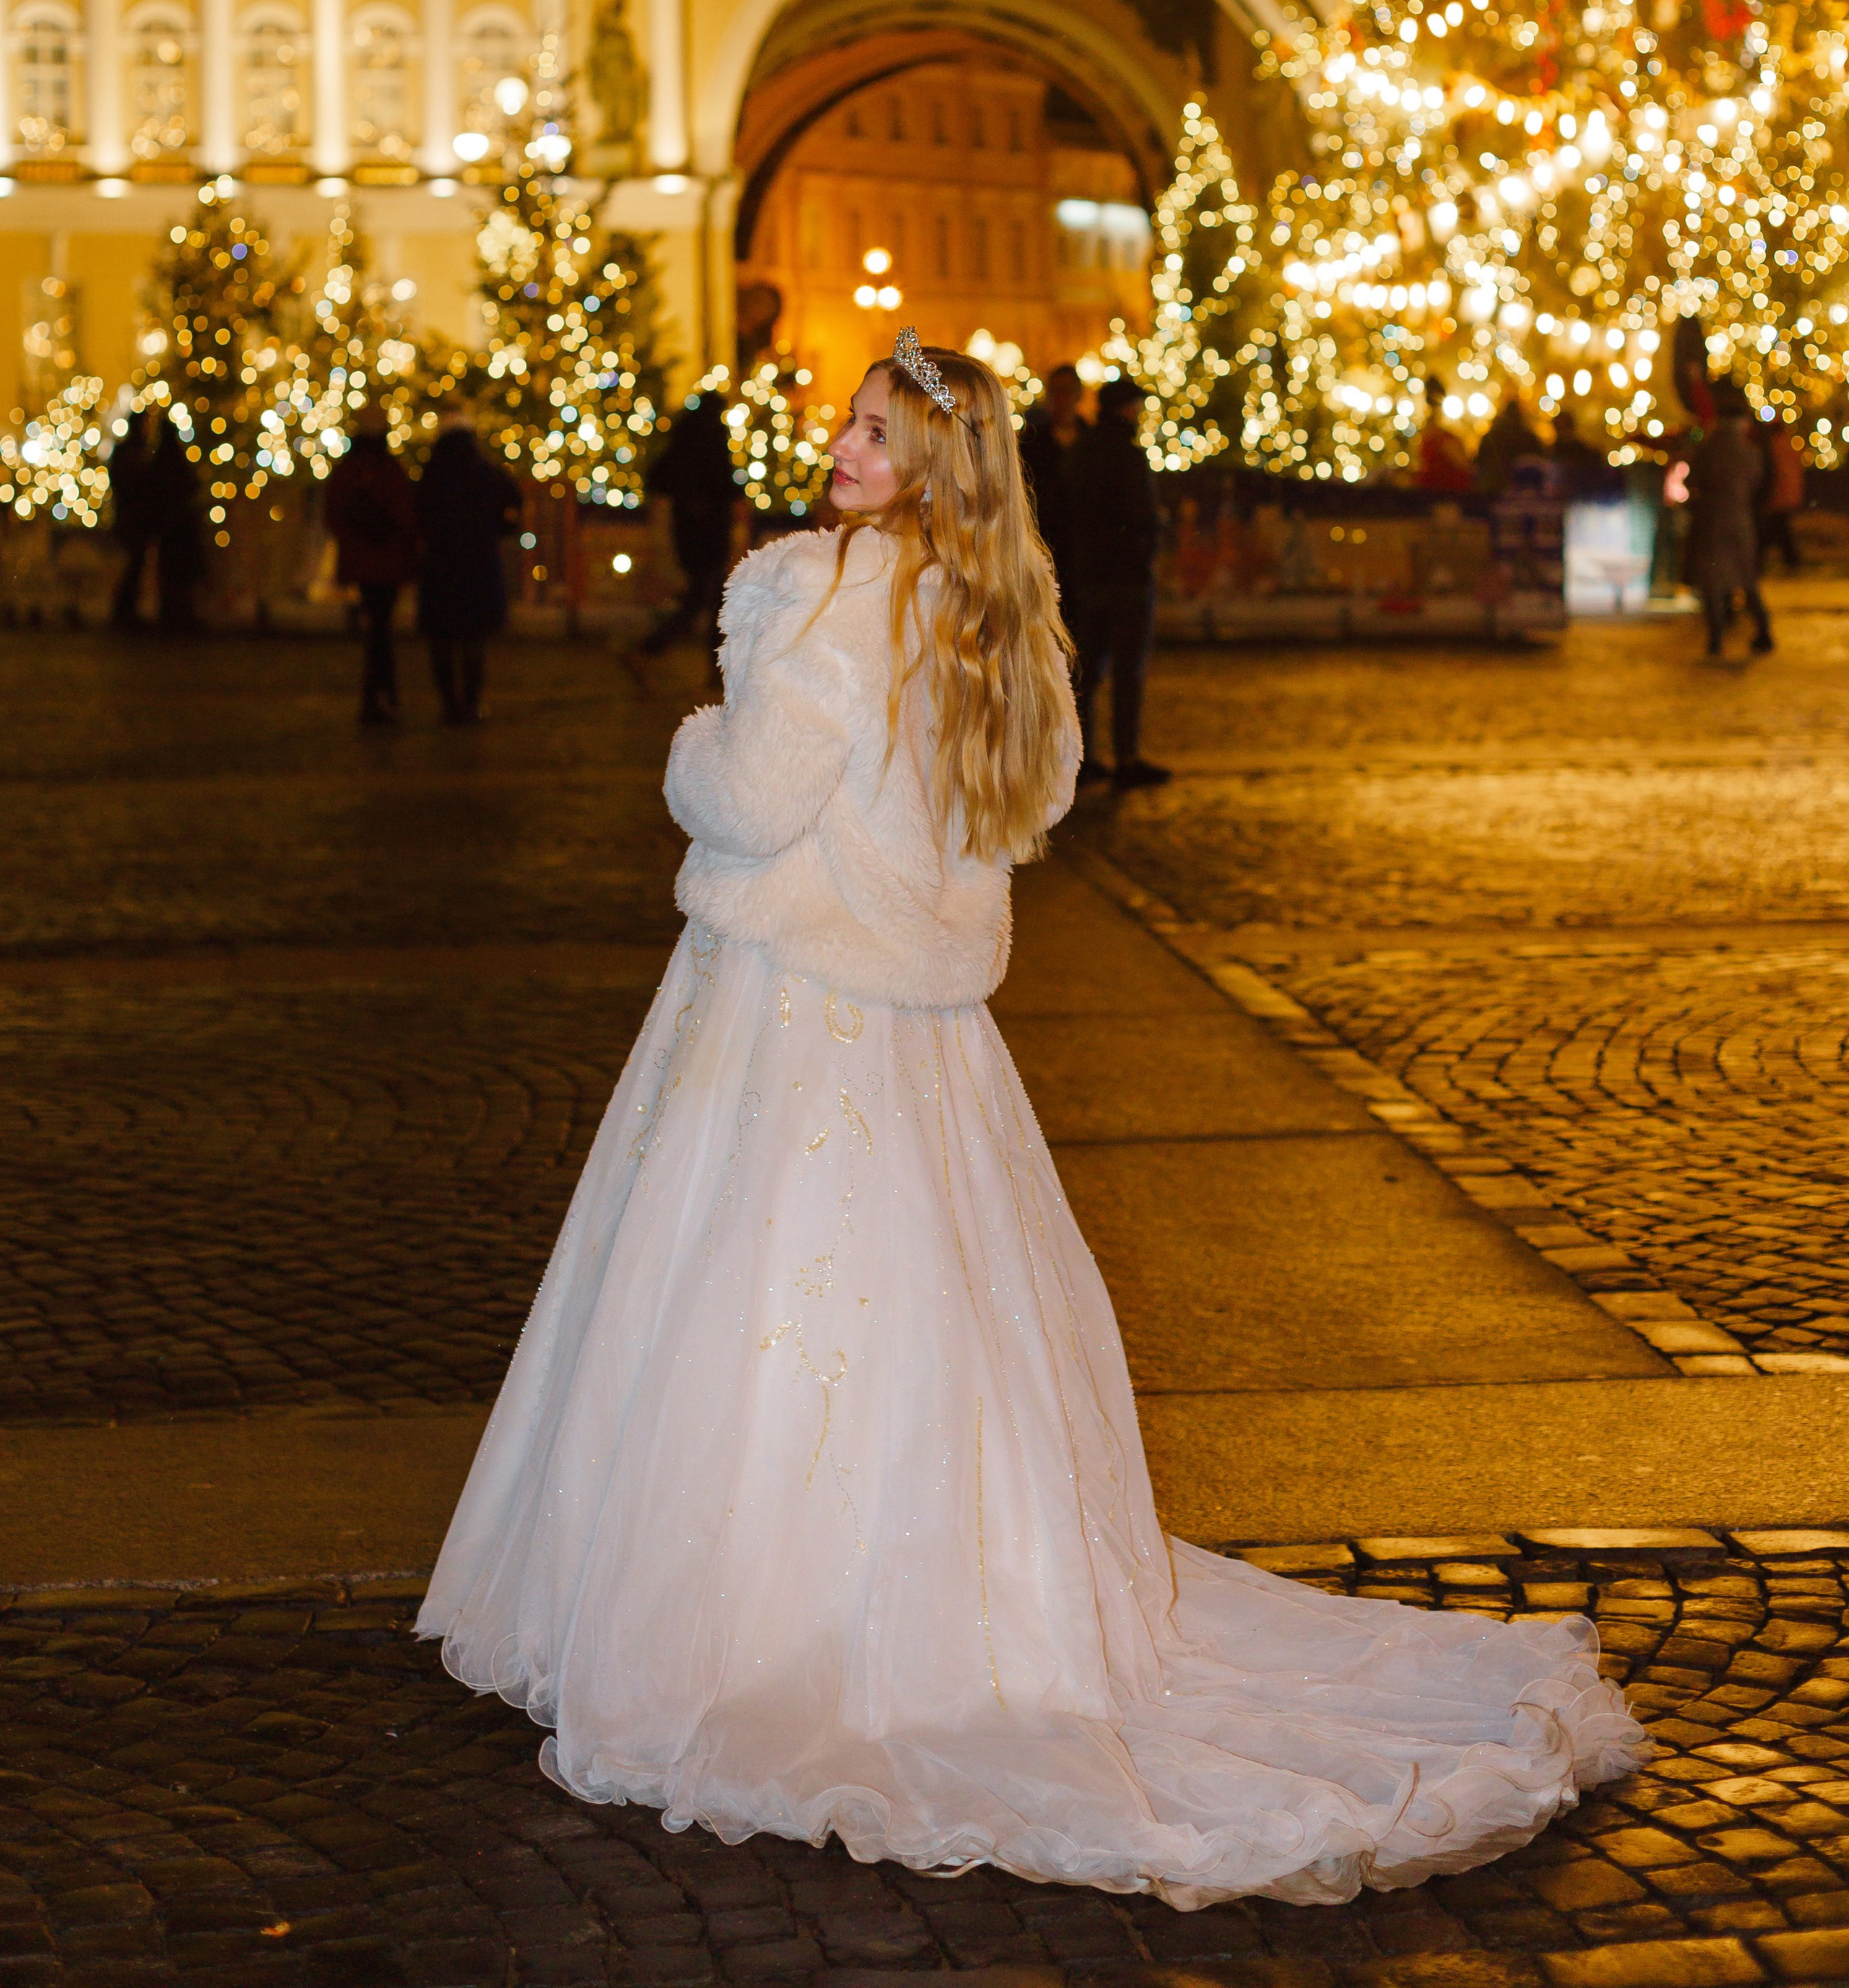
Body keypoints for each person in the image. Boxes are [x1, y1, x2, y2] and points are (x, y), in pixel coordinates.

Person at [417, 324, 1643, 1904]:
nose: (845, 446)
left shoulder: (821, 587)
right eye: (850, 420)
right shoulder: (998, 613)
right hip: (924, 1027)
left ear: (931, 463)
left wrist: (693, 741)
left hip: (790, 1008)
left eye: (876, 431)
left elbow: (747, 796)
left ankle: (747, 1616)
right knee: (935, 1306)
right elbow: (1035, 794)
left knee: (739, 1286)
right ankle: (962, 1587)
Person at [1067, 378, 1169, 790]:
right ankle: (1125, 756)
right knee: (1128, 671)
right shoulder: (1126, 453)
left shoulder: (1082, 451)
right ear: (1126, 409)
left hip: (1088, 574)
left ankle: (1082, 758)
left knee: (1086, 674)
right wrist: (1146, 551)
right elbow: (1140, 514)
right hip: (1125, 577)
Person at [416, 411, 522, 721]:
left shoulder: (431, 475)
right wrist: (495, 532)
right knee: (473, 639)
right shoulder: (488, 473)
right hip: (479, 564)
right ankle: (472, 703)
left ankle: (449, 705)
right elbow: (512, 508)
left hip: (440, 566)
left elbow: (419, 515)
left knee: (442, 640)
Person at [324, 409, 419, 725]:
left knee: (376, 631)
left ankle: (378, 697)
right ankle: (381, 697)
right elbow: (406, 516)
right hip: (387, 563)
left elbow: (333, 514)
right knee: (381, 631)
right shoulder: (390, 470)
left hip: (362, 562)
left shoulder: (348, 470)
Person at [636, 390, 739, 661]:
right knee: (706, 598)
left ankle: (711, 663)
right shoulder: (711, 439)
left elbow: (661, 478)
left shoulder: (685, 440)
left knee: (709, 597)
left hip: (692, 530)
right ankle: (654, 648)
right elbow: (723, 484)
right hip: (709, 532)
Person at [1686, 381, 1773, 659]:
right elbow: (1760, 483)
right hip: (1740, 518)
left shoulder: (1708, 448)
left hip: (1711, 519)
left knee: (1713, 581)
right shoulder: (1750, 451)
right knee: (1746, 577)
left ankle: (1716, 637)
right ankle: (1763, 630)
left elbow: (1692, 479)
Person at [1018, 360, 1087, 616]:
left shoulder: (1090, 440)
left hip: (1083, 545)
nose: (1063, 398)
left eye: (1068, 390)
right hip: (1046, 539)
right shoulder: (1034, 440)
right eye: (1057, 390)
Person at [147, 412, 204, 633]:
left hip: (171, 528)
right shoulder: (175, 459)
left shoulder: (161, 460)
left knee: (172, 575)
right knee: (179, 576)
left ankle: (173, 615)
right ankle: (179, 615)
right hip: (178, 528)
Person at [105, 407, 160, 630]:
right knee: (133, 564)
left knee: (135, 565)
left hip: (135, 516)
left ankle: (126, 610)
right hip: (132, 516)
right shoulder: (131, 452)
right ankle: (124, 611)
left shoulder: (135, 451)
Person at [1758, 411, 1806, 575]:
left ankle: (1789, 560)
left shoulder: (1773, 447)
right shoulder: (1789, 444)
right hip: (1789, 495)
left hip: (1778, 496)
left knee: (1776, 529)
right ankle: (1791, 560)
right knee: (1780, 528)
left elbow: (1773, 473)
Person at [1474, 392, 1545, 498]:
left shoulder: (1491, 437)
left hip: (1495, 490)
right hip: (1525, 493)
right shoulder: (1528, 437)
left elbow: (1479, 462)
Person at [1414, 374, 1475, 493]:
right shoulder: (1443, 438)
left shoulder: (1426, 433)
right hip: (1446, 494)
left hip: (1433, 492)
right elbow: (1463, 463)